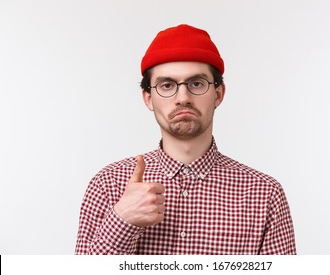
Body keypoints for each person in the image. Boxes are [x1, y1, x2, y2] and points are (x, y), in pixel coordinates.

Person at [75, 24, 296, 255]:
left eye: (197, 84)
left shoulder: (264, 194)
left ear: (218, 94)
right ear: (148, 98)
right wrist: (121, 221)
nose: (183, 98)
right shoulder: (108, 185)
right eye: (167, 85)